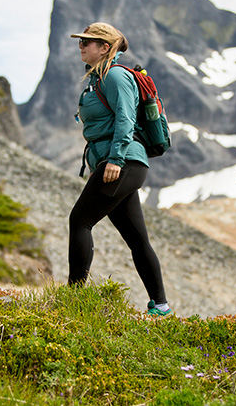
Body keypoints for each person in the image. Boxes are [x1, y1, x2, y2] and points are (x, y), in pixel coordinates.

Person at [67, 22, 172, 317]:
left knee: (80, 220)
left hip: (123, 162)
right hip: (124, 164)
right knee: (137, 239)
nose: (81, 45)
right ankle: (161, 306)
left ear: (105, 47)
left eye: (88, 41)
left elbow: (126, 119)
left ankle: (72, 299)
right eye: (81, 40)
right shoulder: (98, 79)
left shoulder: (113, 76)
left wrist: (114, 159)